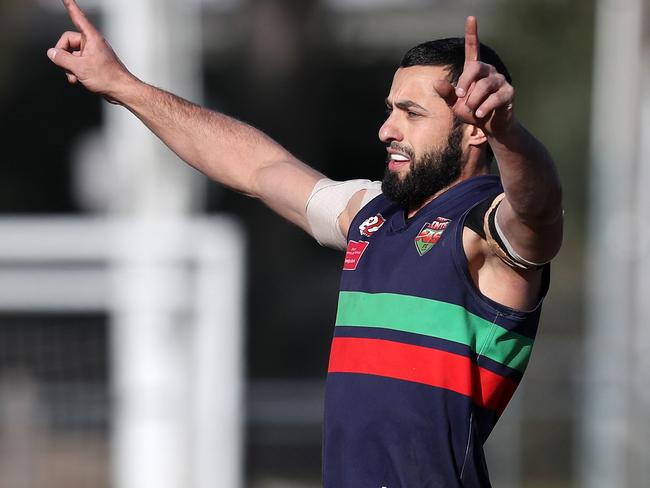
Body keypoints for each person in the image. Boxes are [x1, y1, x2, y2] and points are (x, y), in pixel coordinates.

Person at [48, 1, 563, 486]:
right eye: (390, 110)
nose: (387, 129)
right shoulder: (372, 215)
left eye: (412, 113)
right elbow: (258, 166)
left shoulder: (485, 227)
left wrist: (509, 134)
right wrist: (123, 85)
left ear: (475, 131)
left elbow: (538, 212)